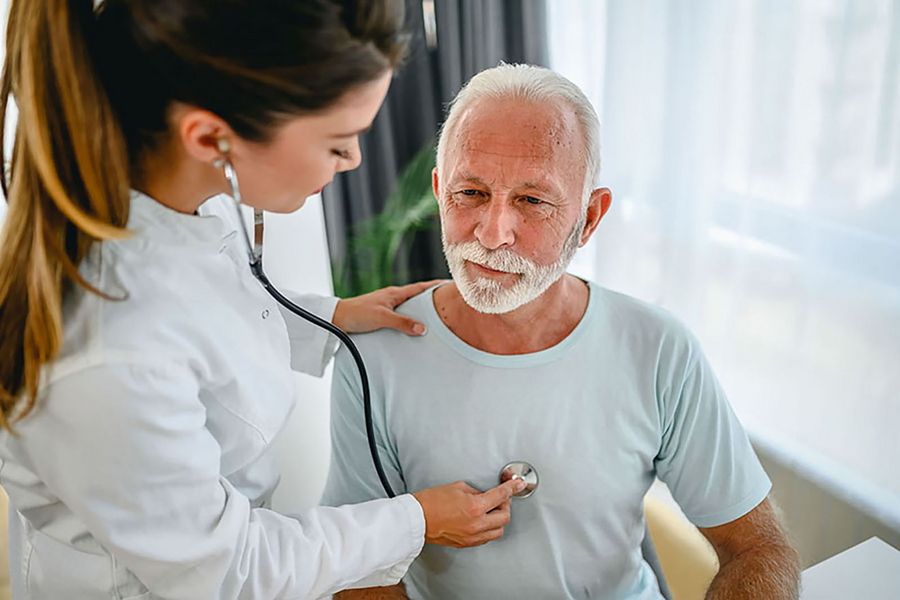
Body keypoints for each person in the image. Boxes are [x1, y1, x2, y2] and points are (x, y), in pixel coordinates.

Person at [0, 1, 527, 599]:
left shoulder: (188, 197)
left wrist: (332, 317)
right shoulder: (107, 354)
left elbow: (206, 306)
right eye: (338, 141)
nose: (354, 159)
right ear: (210, 137)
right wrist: (417, 520)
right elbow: (231, 570)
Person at [322, 64, 802, 599]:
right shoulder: (373, 354)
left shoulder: (659, 348)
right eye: (471, 193)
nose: (492, 233)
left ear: (590, 218)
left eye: (532, 201)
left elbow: (758, 547)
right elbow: (361, 571)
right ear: (439, 192)